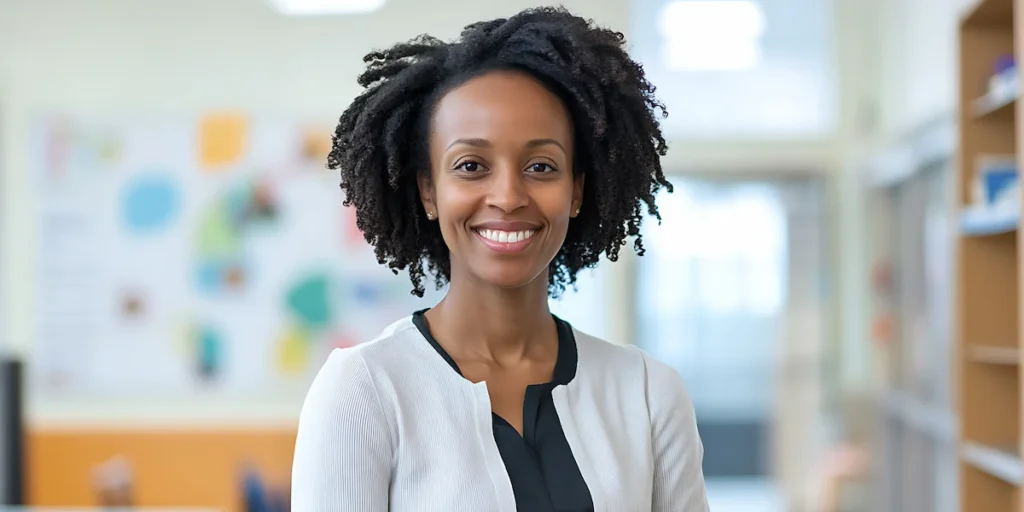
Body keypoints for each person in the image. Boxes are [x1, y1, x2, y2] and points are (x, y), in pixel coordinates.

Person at [291, 7, 709, 511]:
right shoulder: (366, 390)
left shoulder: (647, 393)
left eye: (541, 166)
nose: (508, 197)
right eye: (471, 165)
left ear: (576, 191)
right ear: (429, 190)